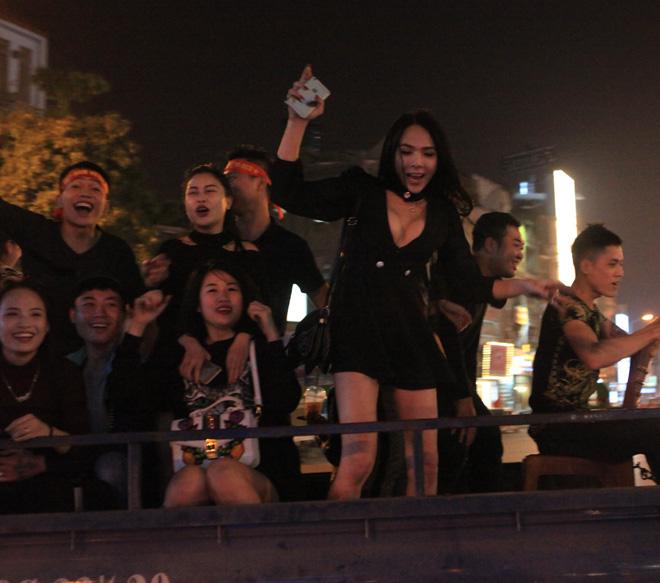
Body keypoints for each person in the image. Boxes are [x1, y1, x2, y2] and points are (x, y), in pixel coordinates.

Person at [273, 66, 558, 499]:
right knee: (359, 458)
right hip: (359, 334)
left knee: (425, 461)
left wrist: (528, 285)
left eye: (426, 153)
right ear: (393, 154)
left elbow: (468, 281)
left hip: (411, 336)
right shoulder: (361, 191)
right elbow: (288, 192)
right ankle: (338, 539)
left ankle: (416, 541)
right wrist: (297, 122)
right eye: (406, 152)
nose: (416, 163)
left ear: (438, 159)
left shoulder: (442, 213)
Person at [163, 258, 302, 506]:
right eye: (212, 290)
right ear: (197, 304)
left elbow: (287, 399)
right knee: (188, 481)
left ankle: (262, 533)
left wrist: (270, 333)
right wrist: (184, 339)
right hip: (197, 462)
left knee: (223, 472)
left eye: (232, 289)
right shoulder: (182, 355)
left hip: (261, 470)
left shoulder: (258, 348)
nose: (223, 297)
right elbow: (142, 399)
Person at [529, 224, 660, 480]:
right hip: (558, 428)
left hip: (577, 423)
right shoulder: (567, 306)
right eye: (612, 264)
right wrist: (650, 333)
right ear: (586, 266)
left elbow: (631, 344)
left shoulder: (593, 315)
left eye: (621, 264)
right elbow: (594, 355)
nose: (620, 272)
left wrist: (649, 336)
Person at [143, 163, 261, 398]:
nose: (201, 198)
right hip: (179, 355)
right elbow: (165, 312)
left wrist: (243, 339)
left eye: (210, 191)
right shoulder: (172, 251)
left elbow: (262, 304)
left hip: (236, 356)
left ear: (228, 201)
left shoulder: (248, 253)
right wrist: (188, 341)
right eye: (193, 192)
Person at [0, 161, 143, 354]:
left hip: (95, 359)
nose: (85, 193)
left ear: (106, 206)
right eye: (76, 186)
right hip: (35, 354)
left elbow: (139, 308)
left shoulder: (117, 251)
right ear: (59, 200)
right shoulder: (37, 232)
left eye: (95, 189)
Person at [436, 212, 524, 493]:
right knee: (458, 451)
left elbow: (467, 350)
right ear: (490, 244)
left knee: (485, 441)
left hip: (455, 385)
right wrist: (463, 397)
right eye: (516, 244)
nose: (520, 254)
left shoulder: (480, 286)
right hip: (434, 384)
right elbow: (447, 340)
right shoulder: (458, 280)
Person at [67, 275, 169, 506]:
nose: (100, 313)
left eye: (110, 305)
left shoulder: (135, 360)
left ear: (124, 314)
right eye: (89, 304)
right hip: (73, 457)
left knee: (111, 466)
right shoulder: (65, 367)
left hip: (127, 460)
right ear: (72, 315)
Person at [0, 280, 90, 513]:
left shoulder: (65, 373)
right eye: (12, 314)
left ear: (47, 325)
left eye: (35, 314)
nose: (25, 324)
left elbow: (84, 449)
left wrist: (47, 435)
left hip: (51, 479)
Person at [224, 145, 328, 332]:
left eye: (232, 177)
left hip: (269, 348)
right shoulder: (217, 241)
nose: (225, 187)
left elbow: (325, 302)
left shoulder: (290, 247)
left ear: (260, 182)